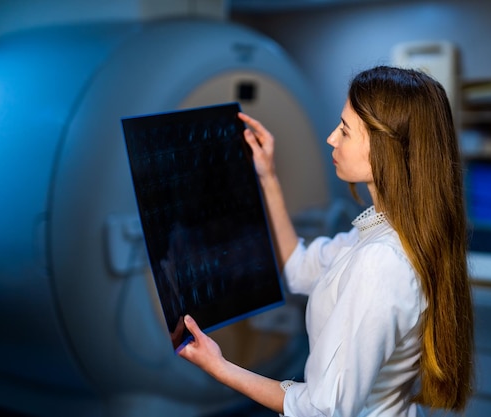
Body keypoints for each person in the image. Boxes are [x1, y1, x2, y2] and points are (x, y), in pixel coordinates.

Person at [178, 65, 474, 416]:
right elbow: (299, 269)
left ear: (384, 147)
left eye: (346, 131)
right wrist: (268, 178)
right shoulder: (386, 233)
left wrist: (220, 367)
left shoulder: (381, 261)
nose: (332, 138)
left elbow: (322, 409)